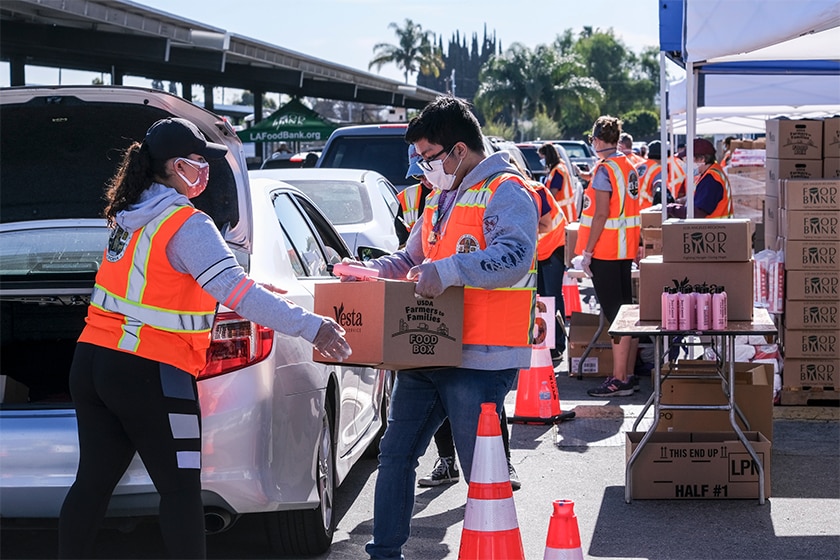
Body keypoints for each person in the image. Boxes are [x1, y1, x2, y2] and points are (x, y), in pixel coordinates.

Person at [57, 117, 351, 559]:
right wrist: (314, 326)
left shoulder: (128, 217)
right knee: (179, 493)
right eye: (198, 162)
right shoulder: (186, 223)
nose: (206, 172)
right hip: (150, 370)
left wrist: (244, 289)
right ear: (176, 167)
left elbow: (163, 283)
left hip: (94, 362)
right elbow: (238, 293)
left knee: (92, 485)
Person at [337, 96, 539, 560]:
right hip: (428, 348)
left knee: (481, 471)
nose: (424, 167)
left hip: (482, 357)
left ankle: (494, 552)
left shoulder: (507, 190)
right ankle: (384, 552)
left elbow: (514, 258)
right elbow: (413, 258)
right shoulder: (442, 196)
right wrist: (370, 270)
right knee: (396, 453)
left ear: (459, 150)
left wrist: (447, 270)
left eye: (429, 157)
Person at [575, 116, 641, 398]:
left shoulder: (605, 170)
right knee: (625, 313)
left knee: (616, 316)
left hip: (606, 252)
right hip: (624, 251)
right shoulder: (628, 166)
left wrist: (587, 252)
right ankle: (625, 374)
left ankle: (618, 378)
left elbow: (601, 213)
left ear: (598, 140)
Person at [667, 137, 734, 219]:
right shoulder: (709, 174)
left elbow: (698, 212)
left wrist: (671, 209)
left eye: (687, 159)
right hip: (715, 229)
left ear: (702, 159)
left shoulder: (711, 179)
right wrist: (682, 201)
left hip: (713, 229)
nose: (684, 164)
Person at [397, 144, 434, 233]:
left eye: (428, 174)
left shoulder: (456, 192)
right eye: (419, 176)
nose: (426, 181)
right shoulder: (407, 197)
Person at [539, 142, 577, 223]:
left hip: (562, 213)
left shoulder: (558, 171)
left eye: (542, 157)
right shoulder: (558, 168)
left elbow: (553, 193)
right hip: (564, 212)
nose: (541, 161)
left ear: (548, 156)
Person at [636, 140, 673, 209]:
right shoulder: (659, 169)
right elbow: (659, 193)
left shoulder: (637, 166)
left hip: (633, 210)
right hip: (648, 210)